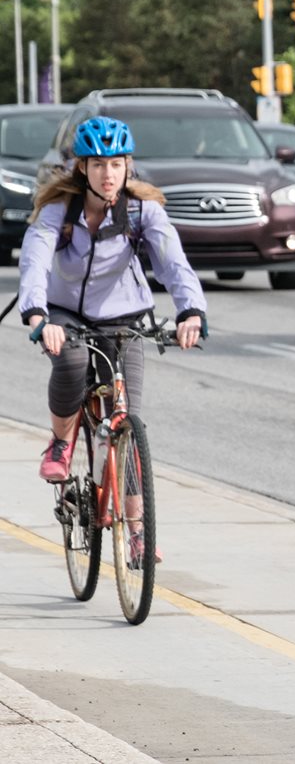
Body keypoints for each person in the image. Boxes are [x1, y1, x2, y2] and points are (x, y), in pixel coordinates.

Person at [19, 116, 206, 559]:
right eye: (99, 164)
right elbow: (35, 259)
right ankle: (62, 442)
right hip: (67, 312)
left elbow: (173, 263)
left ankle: (138, 534)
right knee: (70, 362)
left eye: (117, 164)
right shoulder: (59, 212)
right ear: (82, 168)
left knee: (128, 422)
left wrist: (191, 309)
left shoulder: (143, 211)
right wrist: (37, 314)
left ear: (128, 167)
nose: (108, 174)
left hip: (126, 315)